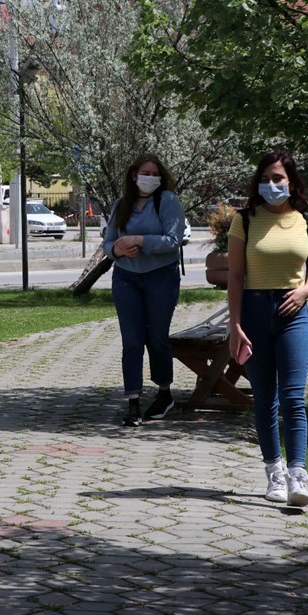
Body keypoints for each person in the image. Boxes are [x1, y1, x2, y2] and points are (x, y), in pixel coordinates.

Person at [226, 151, 308, 507]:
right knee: (265, 398)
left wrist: (305, 291)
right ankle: (275, 474)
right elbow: (235, 276)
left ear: (291, 182)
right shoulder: (245, 220)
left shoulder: (307, 221)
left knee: (294, 397)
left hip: (293, 313)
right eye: (266, 178)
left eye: (278, 178)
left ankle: (299, 474)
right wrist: (235, 325)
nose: (272, 185)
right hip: (253, 311)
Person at [102, 153, 186, 427]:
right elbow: (108, 244)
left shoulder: (168, 201)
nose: (149, 178)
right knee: (132, 341)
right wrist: (117, 249)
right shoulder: (120, 205)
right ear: (133, 175)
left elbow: (173, 240)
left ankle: (164, 393)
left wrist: (140, 240)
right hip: (126, 278)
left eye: (154, 173)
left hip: (161, 277)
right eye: (144, 173)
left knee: (156, 337)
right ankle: (133, 404)